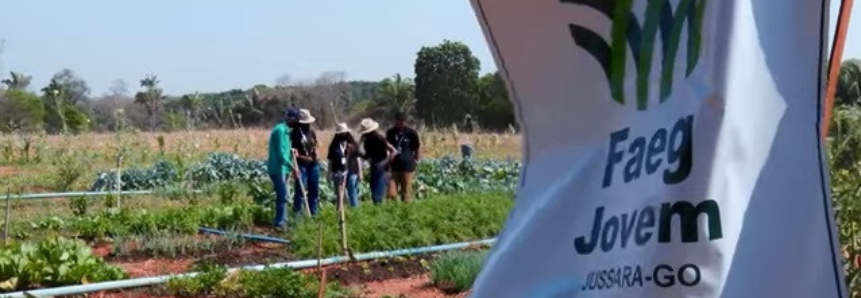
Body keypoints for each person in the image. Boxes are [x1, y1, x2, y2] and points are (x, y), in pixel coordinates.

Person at [266, 109, 299, 230]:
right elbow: (280, 154)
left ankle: (281, 221)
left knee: (283, 195)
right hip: (277, 168)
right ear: (291, 118)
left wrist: (292, 151)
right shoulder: (280, 130)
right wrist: (293, 167)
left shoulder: (286, 131)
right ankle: (280, 223)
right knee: (283, 195)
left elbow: (285, 150)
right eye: (296, 120)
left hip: (284, 169)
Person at [288, 108, 321, 216]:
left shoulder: (311, 132)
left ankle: (314, 214)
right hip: (301, 165)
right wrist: (302, 157)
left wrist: (316, 154)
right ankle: (297, 216)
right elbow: (292, 152)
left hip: (313, 165)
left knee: (314, 191)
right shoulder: (294, 134)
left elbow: (315, 146)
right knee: (300, 192)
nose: (307, 125)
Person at [357, 118, 397, 205]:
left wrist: (389, 163)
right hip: (375, 165)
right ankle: (378, 206)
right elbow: (393, 150)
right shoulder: (368, 140)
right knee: (374, 187)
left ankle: (379, 207)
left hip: (381, 166)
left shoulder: (379, 139)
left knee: (378, 190)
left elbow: (393, 150)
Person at [386, 111, 421, 202]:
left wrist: (416, 160)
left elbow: (417, 148)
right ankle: (394, 211)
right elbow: (387, 147)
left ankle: (405, 212)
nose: (399, 126)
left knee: (405, 193)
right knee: (391, 193)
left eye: (401, 124)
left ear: (405, 122)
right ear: (395, 121)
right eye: (398, 124)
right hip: (394, 167)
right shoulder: (390, 133)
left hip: (407, 167)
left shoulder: (411, 133)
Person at [327, 123, 361, 209]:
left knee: (352, 189)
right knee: (339, 193)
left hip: (352, 170)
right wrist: (328, 172)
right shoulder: (333, 146)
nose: (342, 134)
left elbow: (358, 158)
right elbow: (330, 160)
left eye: (344, 132)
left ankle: (355, 209)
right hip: (338, 171)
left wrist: (360, 171)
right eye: (341, 133)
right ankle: (340, 211)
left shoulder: (353, 144)